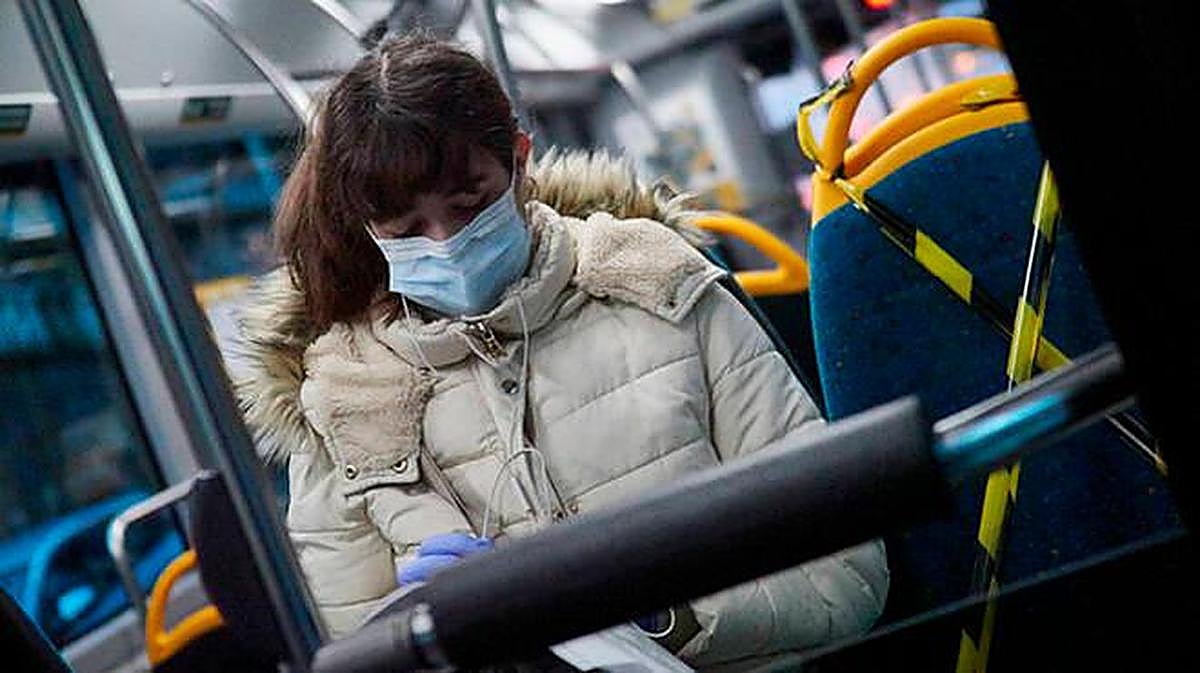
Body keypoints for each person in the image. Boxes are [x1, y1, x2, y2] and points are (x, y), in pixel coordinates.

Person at [234, 33, 887, 668]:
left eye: (471, 204)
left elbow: (847, 571)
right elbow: (342, 653)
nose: (445, 244)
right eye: (407, 230)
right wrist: (435, 637)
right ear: (366, 229)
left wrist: (663, 615)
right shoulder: (342, 405)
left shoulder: (663, 294)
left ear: (520, 160)